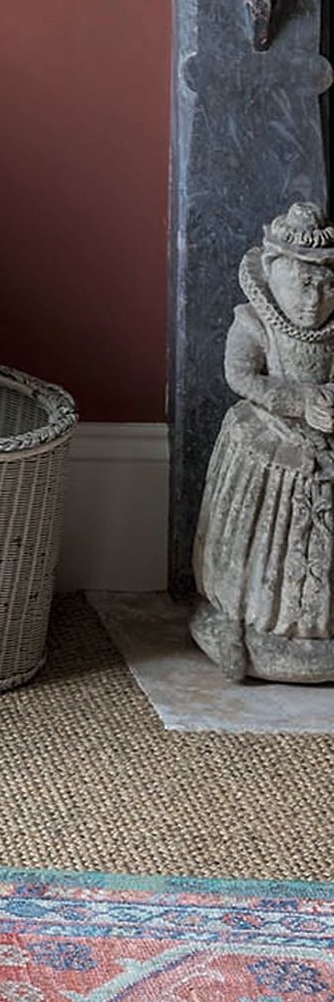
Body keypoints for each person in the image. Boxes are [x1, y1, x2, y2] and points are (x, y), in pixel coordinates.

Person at [191, 201, 334, 682]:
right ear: (273, 272)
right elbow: (240, 375)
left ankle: (316, 627)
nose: (314, 299)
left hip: (324, 437)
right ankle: (242, 615)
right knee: (261, 533)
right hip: (269, 440)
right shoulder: (253, 322)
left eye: (326, 285)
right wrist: (300, 401)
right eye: (303, 282)